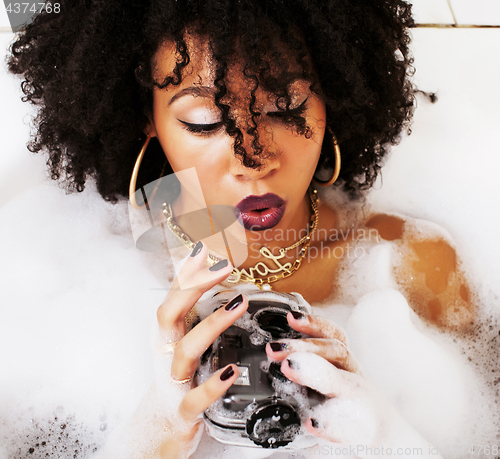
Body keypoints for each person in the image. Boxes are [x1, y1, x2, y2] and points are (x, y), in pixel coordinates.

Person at [5, 0, 481, 457]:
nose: (252, 162)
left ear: (331, 96)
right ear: (145, 117)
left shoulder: (411, 264)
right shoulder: (77, 274)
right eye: (205, 120)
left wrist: (384, 437)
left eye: (285, 106)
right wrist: (161, 430)